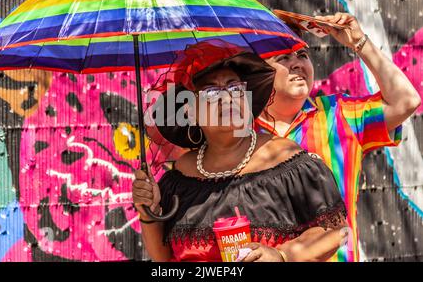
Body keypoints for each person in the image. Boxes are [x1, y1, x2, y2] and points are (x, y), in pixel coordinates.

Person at [132, 40, 347, 262]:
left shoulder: (285, 158)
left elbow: (336, 231)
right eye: (212, 91)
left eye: (235, 87)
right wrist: (149, 210)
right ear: (190, 111)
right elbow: (164, 259)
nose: (227, 97)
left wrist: (282, 255)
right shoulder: (178, 177)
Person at [256, 12, 421, 262]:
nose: (298, 63)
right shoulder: (240, 130)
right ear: (260, 72)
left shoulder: (339, 114)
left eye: (303, 54)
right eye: (284, 58)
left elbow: (407, 101)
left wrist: (359, 42)